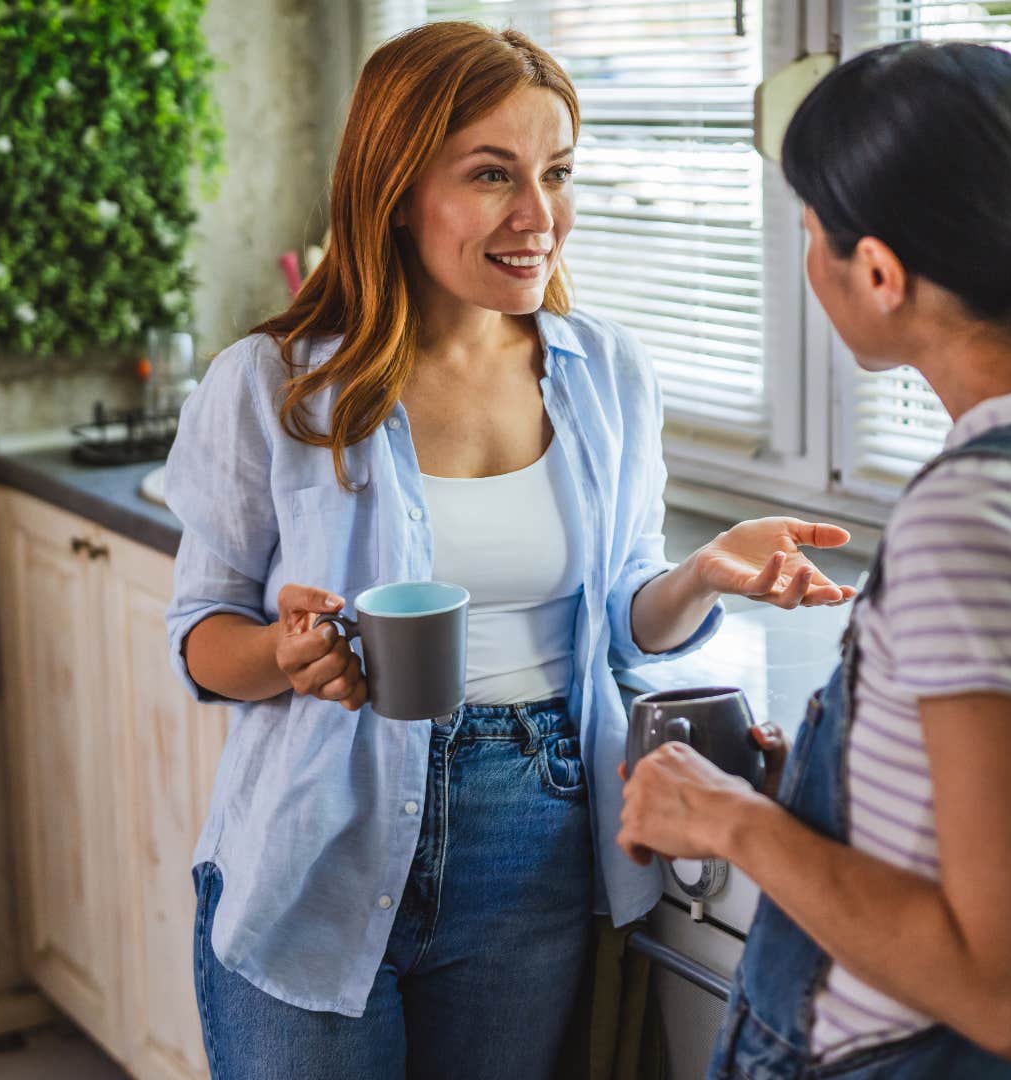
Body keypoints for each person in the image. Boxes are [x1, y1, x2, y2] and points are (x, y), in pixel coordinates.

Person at [161, 21, 856, 1080]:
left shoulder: (605, 373)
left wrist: (703, 572)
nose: (539, 217)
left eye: (557, 173)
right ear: (395, 189)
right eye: (493, 176)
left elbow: (622, 615)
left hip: (535, 837)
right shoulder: (274, 385)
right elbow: (201, 634)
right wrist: (282, 655)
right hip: (318, 842)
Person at [617, 41, 1011, 1079]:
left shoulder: (982, 519)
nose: (806, 263)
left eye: (809, 235)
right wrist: (845, 790)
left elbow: (1009, 996)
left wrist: (731, 819)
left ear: (879, 272)